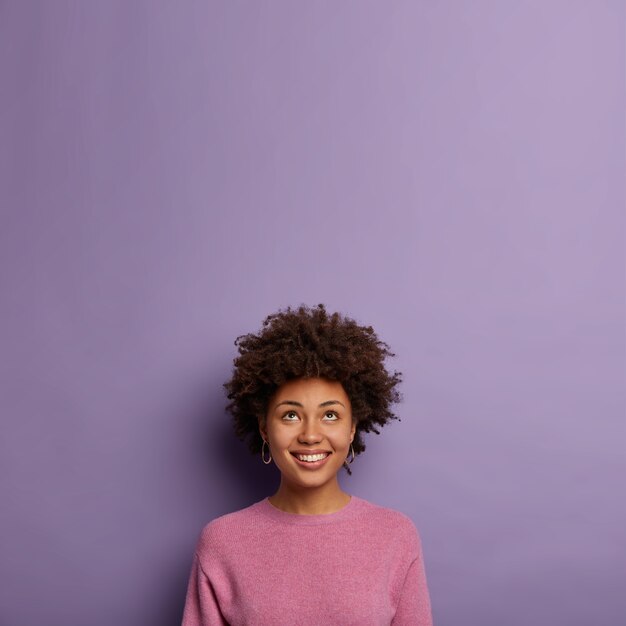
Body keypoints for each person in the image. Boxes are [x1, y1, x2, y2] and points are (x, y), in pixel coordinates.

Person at [181, 303, 433, 625]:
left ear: (352, 426)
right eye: (291, 415)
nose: (311, 435)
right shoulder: (221, 542)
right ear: (264, 428)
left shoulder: (395, 535)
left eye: (330, 415)